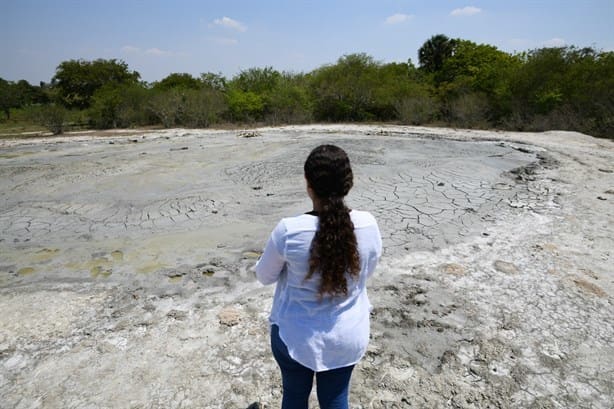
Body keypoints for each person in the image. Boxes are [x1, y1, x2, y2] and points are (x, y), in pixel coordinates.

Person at [255, 144, 382, 409]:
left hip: (294, 336)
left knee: (293, 396)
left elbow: (264, 277)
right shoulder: (368, 224)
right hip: (347, 336)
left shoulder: (289, 231)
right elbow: (365, 273)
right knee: (336, 399)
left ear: (308, 184)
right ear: (349, 183)